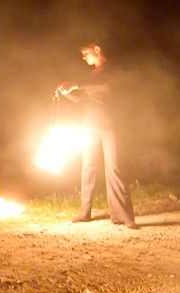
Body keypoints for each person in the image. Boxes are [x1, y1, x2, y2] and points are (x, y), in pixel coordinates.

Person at [57, 43, 137, 229]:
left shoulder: (112, 69)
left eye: (86, 53)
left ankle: (123, 216)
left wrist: (75, 85)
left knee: (114, 166)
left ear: (97, 49)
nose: (84, 58)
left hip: (110, 124)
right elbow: (82, 99)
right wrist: (66, 92)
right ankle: (84, 213)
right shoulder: (91, 75)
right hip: (90, 123)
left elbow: (102, 83)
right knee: (88, 166)